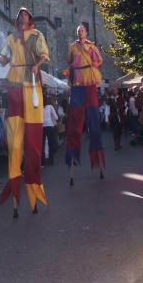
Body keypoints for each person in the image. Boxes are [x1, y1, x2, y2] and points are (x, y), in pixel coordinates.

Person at [0, 7, 49, 218]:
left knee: (32, 144)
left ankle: (34, 190)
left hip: (31, 85)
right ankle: (15, 188)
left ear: (29, 18)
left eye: (26, 15)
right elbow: (4, 61)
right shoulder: (11, 38)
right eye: (20, 15)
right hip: (14, 86)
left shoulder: (36, 35)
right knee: (15, 144)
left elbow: (44, 55)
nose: (23, 17)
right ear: (17, 20)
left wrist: (37, 65)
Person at [65, 24, 105, 182]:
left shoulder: (91, 46)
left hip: (89, 83)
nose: (80, 32)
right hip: (77, 84)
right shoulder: (72, 47)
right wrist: (70, 69)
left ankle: (97, 158)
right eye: (78, 30)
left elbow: (99, 60)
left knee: (94, 121)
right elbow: (69, 61)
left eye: (82, 30)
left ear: (86, 32)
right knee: (75, 122)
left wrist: (94, 63)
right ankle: (72, 157)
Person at [42, 95, 58, 166]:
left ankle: (42, 162)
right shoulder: (50, 107)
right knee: (50, 144)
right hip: (49, 126)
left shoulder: (40, 107)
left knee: (42, 144)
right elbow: (56, 117)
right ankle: (51, 161)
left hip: (42, 127)